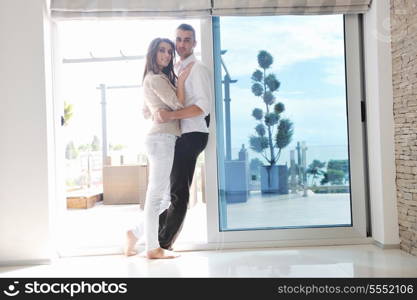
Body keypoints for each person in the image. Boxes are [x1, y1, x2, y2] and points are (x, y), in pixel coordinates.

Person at [124, 37, 193, 259]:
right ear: (153, 53)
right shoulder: (156, 79)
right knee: (157, 196)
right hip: (162, 139)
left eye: (169, 52)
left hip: (163, 137)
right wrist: (181, 82)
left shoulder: (153, 79)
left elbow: (145, 111)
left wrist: (156, 108)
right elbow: (178, 105)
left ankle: (134, 234)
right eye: (162, 51)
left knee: (163, 198)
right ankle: (152, 248)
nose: (166, 55)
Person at [154, 24, 212, 250]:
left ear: (194, 43)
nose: (181, 44)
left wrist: (170, 115)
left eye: (187, 40)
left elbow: (203, 107)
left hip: (192, 133)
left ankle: (164, 244)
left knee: (178, 191)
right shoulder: (177, 67)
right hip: (180, 134)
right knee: (170, 190)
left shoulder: (197, 69)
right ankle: (155, 237)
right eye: (178, 39)